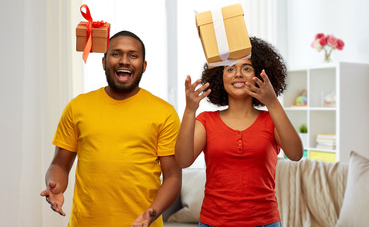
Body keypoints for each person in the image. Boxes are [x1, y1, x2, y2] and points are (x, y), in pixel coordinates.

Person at [40, 30, 181, 227]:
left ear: (144, 65)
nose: (124, 60)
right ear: (104, 62)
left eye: (133, 55)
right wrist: (55, 185)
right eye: (116, 54)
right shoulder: (77, 107)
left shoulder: (164, 112)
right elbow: (60, 165)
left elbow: (173, 177)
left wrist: (151, 213)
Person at [175, 36, 303, 227]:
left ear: (259, 75)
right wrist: (189, 110)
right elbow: (183, 160)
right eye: (230, 69)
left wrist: (273, 102)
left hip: (264, 222)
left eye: (246, 68)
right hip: (213, 222)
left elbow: (295, 154)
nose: (238, 74)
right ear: (220, 76)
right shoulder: (206, 121)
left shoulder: (271, 120)